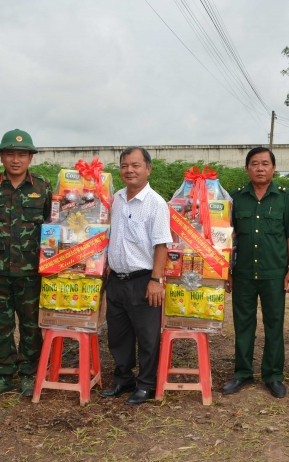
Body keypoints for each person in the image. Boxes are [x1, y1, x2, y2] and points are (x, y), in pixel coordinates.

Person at [223, 147, 289, 399]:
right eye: (254, 164)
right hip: (243, 273)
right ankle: (242, 373)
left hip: (274, 272)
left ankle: (273, 375)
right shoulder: (235, 198)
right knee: (243, 324)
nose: (260, 168)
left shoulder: (286, 197)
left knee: (274, 324)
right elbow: (227, 238)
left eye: (265, 164)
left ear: (273, 168)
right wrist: (226, 270)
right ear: (247, 168)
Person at [0, 130, 51, 398]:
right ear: (1, 157)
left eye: (21, 154)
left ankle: (30, 375)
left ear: (30, 157)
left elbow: (51, 230)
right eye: (10, 154)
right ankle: (2, 376)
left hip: (31, 272)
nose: (15, 160)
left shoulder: (42, 187)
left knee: (31, 325)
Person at [101, 147, 172, 405]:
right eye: (124, 165)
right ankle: (123, 378)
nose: (129, 170)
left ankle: (146, 384)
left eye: (136, 165)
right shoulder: (117, 198)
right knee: (118, 335)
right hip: (116, 280)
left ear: (148, 168)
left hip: (143, 280)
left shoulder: (156, 203)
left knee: (147, 335)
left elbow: (162, 245)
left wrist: (156, 280)